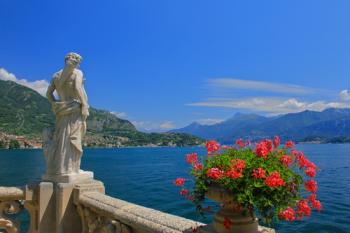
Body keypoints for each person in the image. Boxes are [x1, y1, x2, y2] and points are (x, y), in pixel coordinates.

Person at [46, 52, 89, 175]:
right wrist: (85, 105)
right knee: (73, 138)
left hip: (62, 110)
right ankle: (70, 168)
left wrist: (55, 105)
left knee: (62, 138)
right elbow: (77, 88)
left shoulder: (56, 76)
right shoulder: (77, 73)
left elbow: (48, 94)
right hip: (74, 109)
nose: (78, 63)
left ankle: (61, 168)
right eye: (77, 60)